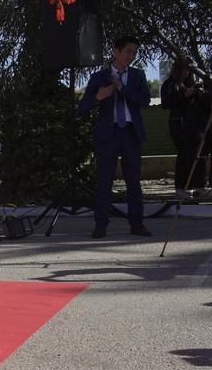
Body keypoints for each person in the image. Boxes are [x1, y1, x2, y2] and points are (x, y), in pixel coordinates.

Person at [78, 35, 152, 238]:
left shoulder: (137, 75)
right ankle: (101, 225)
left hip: (131, 133)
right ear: (116, 52)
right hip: (108, 135)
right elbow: (82, 108)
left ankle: (137, 223)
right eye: (128, 51)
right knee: (104, 181)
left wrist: (122, 89)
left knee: (133, 180)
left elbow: (145, 100)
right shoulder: (99, 77)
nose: (131, 56)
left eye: (134, 53)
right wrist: (98, 97)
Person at [161, 59, 207, 198]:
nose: (186, 73)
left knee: (199, 154)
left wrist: (199, 94)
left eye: (188, 70)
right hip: (179, 124)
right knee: (185, 155)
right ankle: (181, 188)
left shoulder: (189, 83)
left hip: (195, 125)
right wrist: (183, 95)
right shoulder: (170, 83)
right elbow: (166, 103)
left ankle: (199, 186)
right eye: (184, 69)